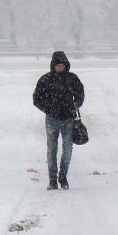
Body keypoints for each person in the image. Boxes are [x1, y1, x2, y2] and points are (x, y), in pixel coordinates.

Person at [33, 51, 84, 190]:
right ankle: (52, 179)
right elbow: (36, 99)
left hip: (68, 118)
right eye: (57, 65)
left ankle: (63, 176)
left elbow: (80, 93)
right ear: (53, 66)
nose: (60, 67)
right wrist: (48, 109)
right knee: (52, 150)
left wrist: (75, 105)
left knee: (67, 149)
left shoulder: (72, 79)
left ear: (66, 65)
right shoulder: (45, 80)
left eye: (62, 65)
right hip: (52, 119)